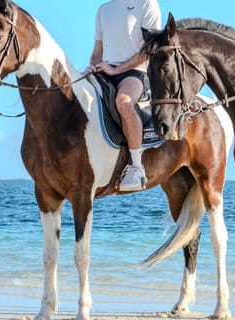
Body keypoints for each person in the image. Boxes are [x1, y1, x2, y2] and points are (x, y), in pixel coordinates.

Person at [89, 0, 162, 191]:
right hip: (104, 70)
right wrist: (92, 66)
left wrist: (117, 69)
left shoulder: (147, 4)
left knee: (124, 102)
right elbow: (97, 51)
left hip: (136, 72)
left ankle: (137, 167)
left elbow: (149, 50)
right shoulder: (104, 9)